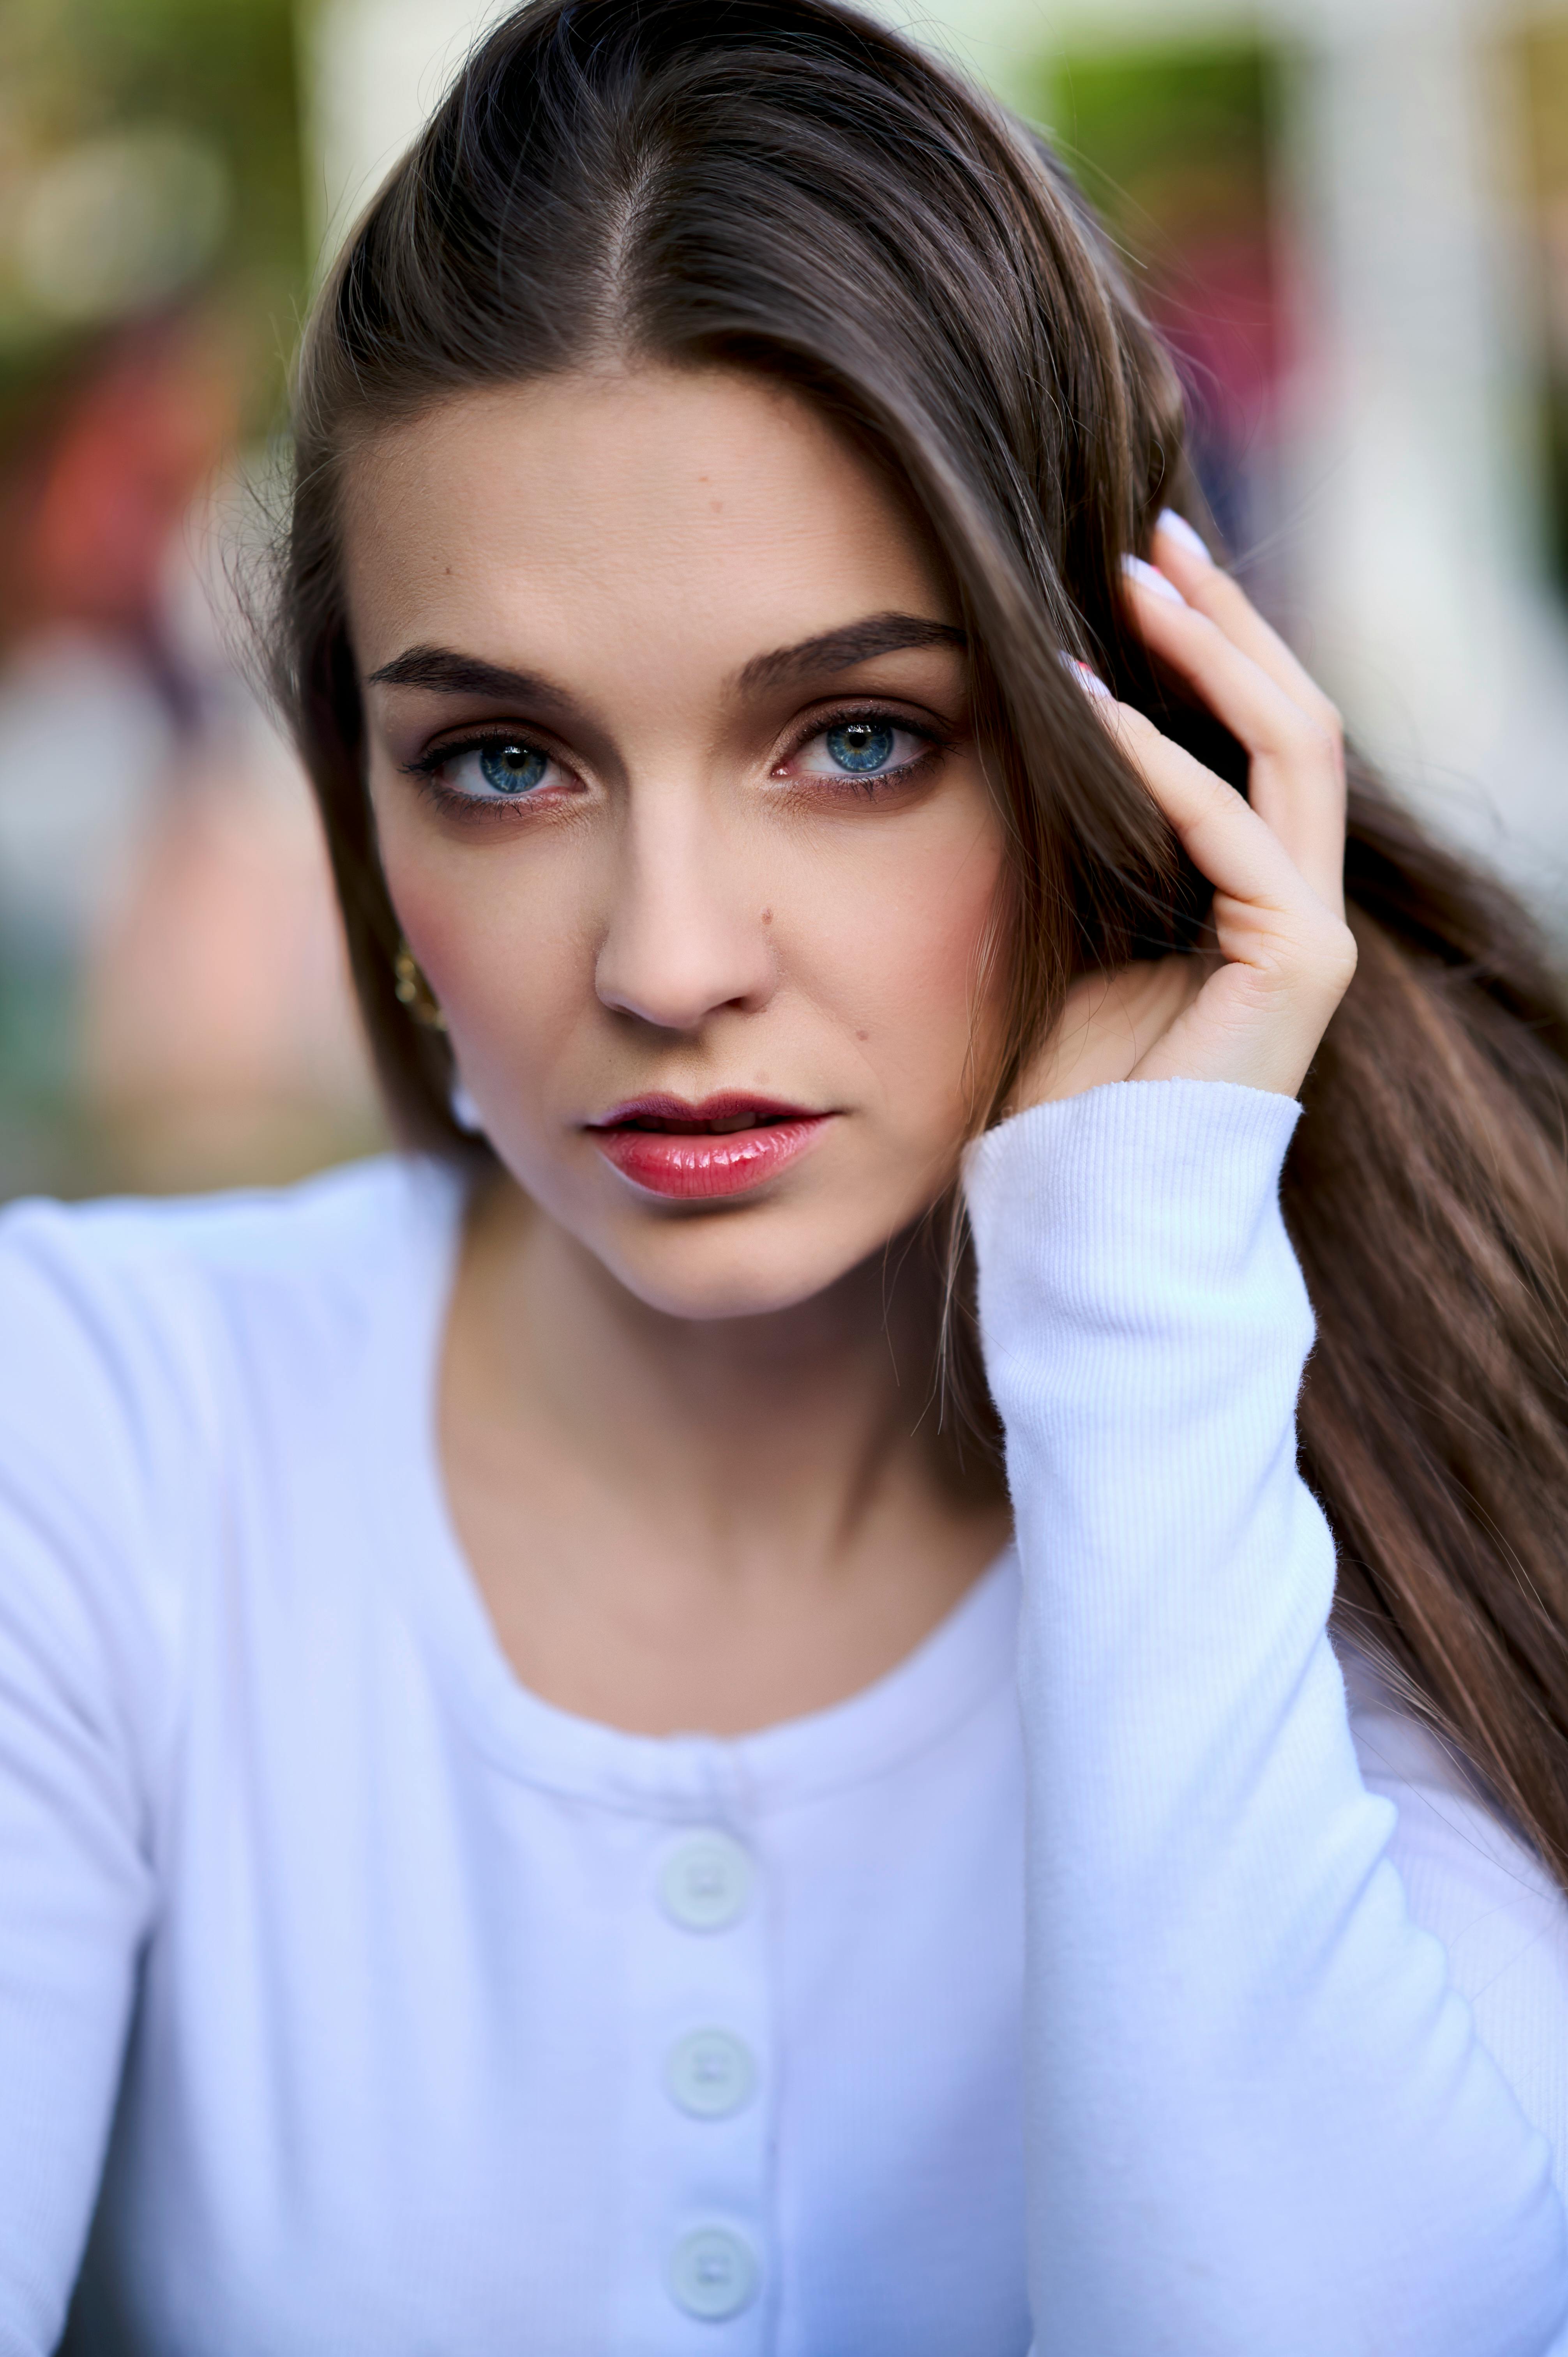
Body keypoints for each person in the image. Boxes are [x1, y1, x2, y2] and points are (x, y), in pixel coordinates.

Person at [5, 1, 1568, 2348]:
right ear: (358, 790)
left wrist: (1142, 1252)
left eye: (855, 738)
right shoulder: (100, 1429)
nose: (665, 960)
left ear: (1122, 741)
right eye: (507, 763)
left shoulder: (1426, 1448)